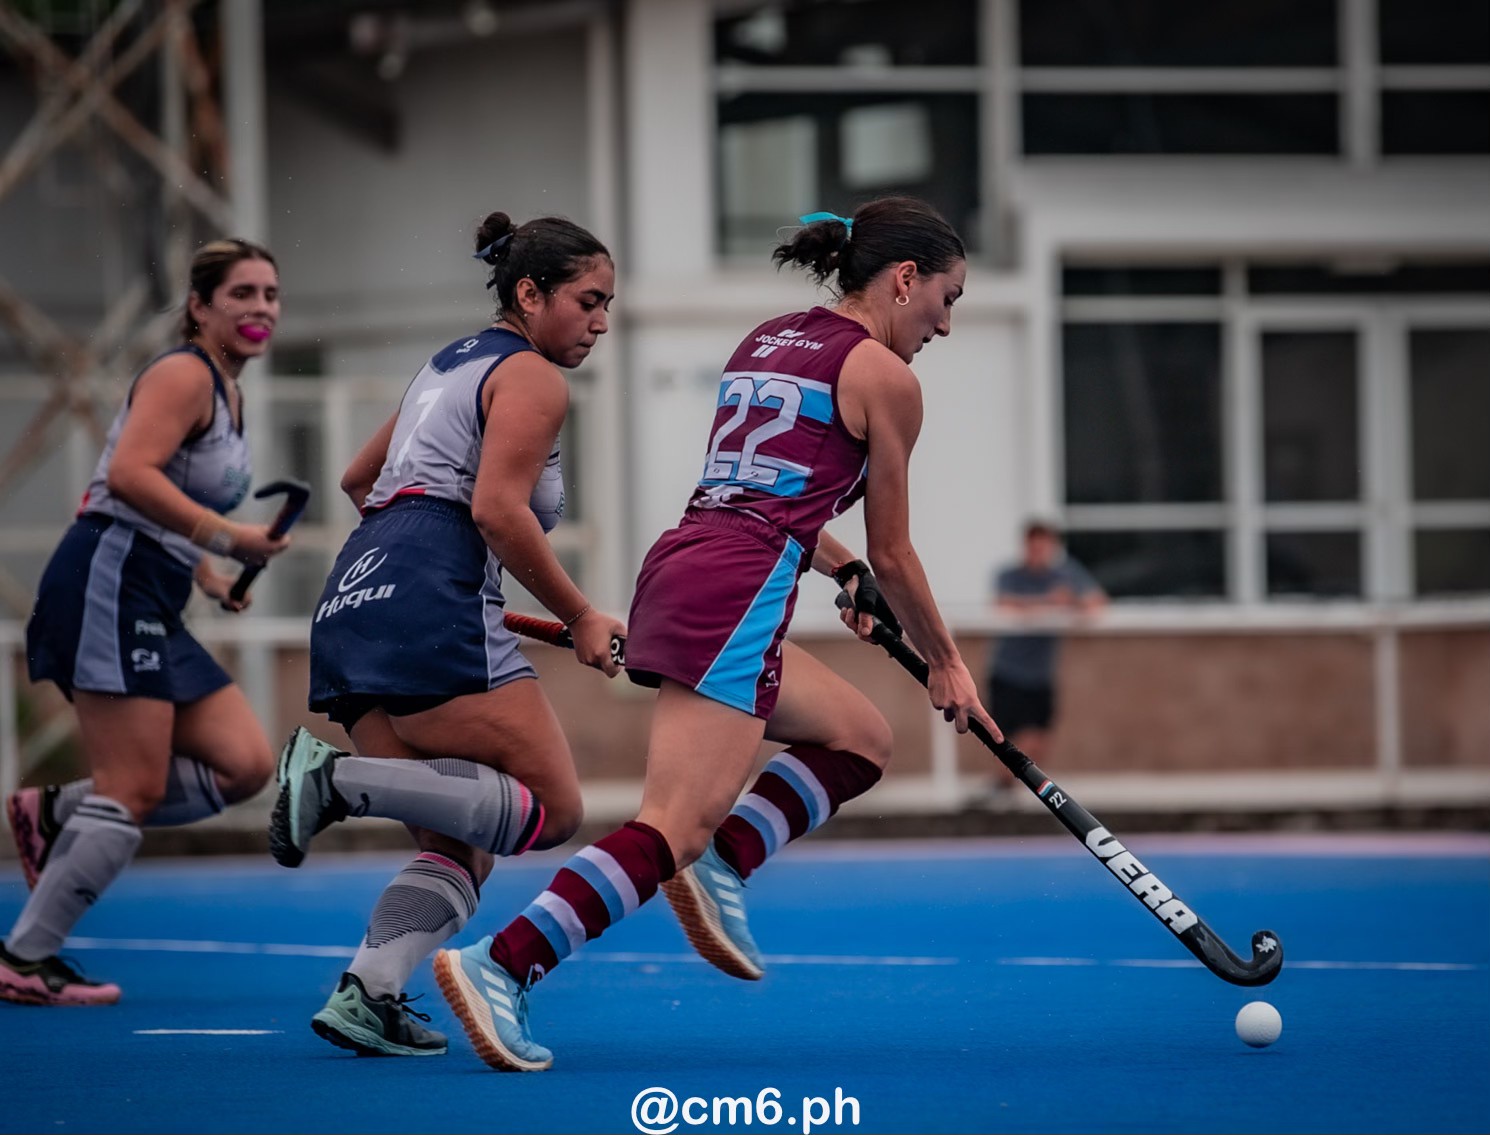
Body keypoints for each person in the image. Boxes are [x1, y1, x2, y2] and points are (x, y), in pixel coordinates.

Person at [427, 196, 1003, 1072]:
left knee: (860, 737)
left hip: (692, 559)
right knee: (671, 825)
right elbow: (895, 548)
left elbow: (768, 495)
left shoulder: (769, 339)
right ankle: (503, 962)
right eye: (946, 299)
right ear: (904, 278)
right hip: (739, 588)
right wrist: (947, 663)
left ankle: (725, 860)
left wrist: (841, 568)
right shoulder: (888, 379)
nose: (945, 325)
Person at [266, 211, 625, 1058]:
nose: (601, 322)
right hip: (427, 585)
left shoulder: (446, 363)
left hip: (356, 589)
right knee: (554, 808)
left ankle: (369, 992)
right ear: (530, 294)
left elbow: (359, 478)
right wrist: (580, 614)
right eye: (589, 301)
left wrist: (416, 564)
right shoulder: (531, 376)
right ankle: (336, 779)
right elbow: (497, 510)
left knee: (459, 846)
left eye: (607, 305)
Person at [1, 239, 290, 1006]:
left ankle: (56, 812)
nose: (261, 307)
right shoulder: (183, 374)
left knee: (244, 764)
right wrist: (228, 538)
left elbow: (169, 493)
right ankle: (25, 957)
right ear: (200, 306)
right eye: (242, 293)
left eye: (270, 294)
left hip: (152, 587)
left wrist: (208, 573)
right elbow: (128, 476)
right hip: (110, 580)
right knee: (132, 786)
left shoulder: (229, 391)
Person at [986, 520, 1107, 770]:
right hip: (1008, 672)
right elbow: (1003, 604)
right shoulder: (1009, 575)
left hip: (1040, 676)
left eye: (1043, 548)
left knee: (1038, 743)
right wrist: (1048, 602)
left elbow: (1097, 602)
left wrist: (1072, 602)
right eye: (1033, 548)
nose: (1038, 554)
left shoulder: (1066, 574)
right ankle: (1003, 785)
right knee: (1006, 743)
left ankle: (1013, 786)